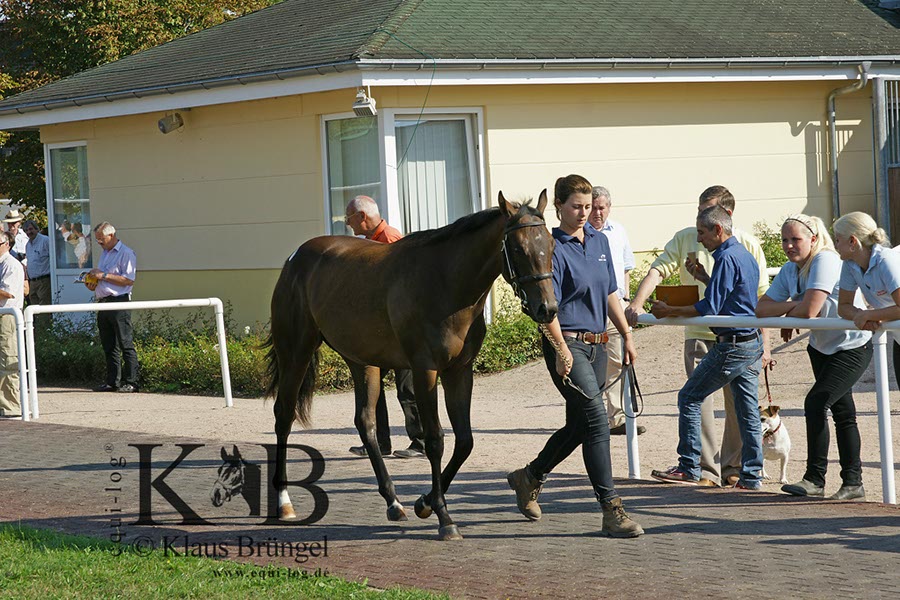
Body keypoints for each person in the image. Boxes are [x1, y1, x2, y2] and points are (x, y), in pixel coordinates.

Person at [507, 174, 643, 538]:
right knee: (598, 421)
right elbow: (544, 309)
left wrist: (626, 336)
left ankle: (530, 475)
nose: (584, 213)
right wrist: (561, 350)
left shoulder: (599, 241)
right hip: (568, 343)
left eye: (588, 206)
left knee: (580, 425)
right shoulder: (551, 245)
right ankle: (612, 510)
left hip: (599, 344)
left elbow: (611, 292)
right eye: (576, 207)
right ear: (559, 207)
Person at [626, 185, 770, 487]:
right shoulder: (740, 253)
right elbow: (734, 293)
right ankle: (751, 475)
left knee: (690, 397)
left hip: (731, 344)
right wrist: (704, 276)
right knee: (746, 411)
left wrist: (669, 309)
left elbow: (710, 306)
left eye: (702, 233)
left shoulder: (727, 258)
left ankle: (689, 466)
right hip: (749, 342)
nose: (699, 239)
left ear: (718, 227)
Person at [756, 215, 872, 501]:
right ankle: (853, 484)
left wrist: (787, 313)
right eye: (784, 239)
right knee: (844, 413)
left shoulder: (825, 260)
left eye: (795, 239)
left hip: (852, 346)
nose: (788, 245)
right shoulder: (789, 269)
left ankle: (815, 478)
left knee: (816, 402)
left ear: (814, 239)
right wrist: (793, 308)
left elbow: (810, 310)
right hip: (821, 347)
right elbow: (761, 309)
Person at [343, 195, 425, 459]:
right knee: (374, 386)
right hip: (384, 331)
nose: (348, 225)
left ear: (362, 217)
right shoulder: (371, 243)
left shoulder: (389, 240)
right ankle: (380, 442)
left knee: (407, 388)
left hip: (400, 331)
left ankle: (421, 442)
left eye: (349, 219)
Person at [588, 186, 644, 435]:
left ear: (609, 208)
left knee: (616, 360)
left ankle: (615, 418)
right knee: (590, 362)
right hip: (589, 308)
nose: (598, 213)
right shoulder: (581, 232)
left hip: (615, 307)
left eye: (602, 207)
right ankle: (593, 415)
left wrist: (625, 301)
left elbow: (626, 269)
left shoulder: (618, 231)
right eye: (594, 207)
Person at [87, 222, 139, 393]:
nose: (99, 243)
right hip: (103, 301)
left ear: (111, 235)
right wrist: (93, 282)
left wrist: (103, 275)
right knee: (108, 344)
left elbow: (129, 279)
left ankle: (132, 382)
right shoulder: (105, 253)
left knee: (125, 342)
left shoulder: (126, 253)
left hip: (119, 301)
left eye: (101, 239)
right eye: (97, 240)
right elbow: (103, 278)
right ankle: (112, 381)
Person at [0, 232, 25, 418]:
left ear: (6, 244)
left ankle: (11, 407)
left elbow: (8, 294)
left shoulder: (11, 264)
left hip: (8, 316)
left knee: (8, 361)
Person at [23, 220, 52, 307]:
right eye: (26, 230)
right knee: (34, 310)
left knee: (44, 309)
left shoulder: (45, 241)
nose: (29, 232)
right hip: (33, 282)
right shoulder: (27, 245)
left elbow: (54, 258)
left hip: (44, 281)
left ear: (37, 229)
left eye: (31, 229)